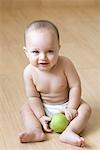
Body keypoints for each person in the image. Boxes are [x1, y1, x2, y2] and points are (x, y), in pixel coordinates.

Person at [19, 20, 91, 147]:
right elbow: (33, 97)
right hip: (43, 107)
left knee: (85, 109)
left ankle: (70, 131)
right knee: (25, 108)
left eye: (50, 51)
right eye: (35, 52)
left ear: (59, 48)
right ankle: (35, 130)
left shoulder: (65, 64)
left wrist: (72, 108)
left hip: (67, 105)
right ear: (26, 52)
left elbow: (75, 86)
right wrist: (41, 116)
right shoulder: (29, 72)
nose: (43, 57)